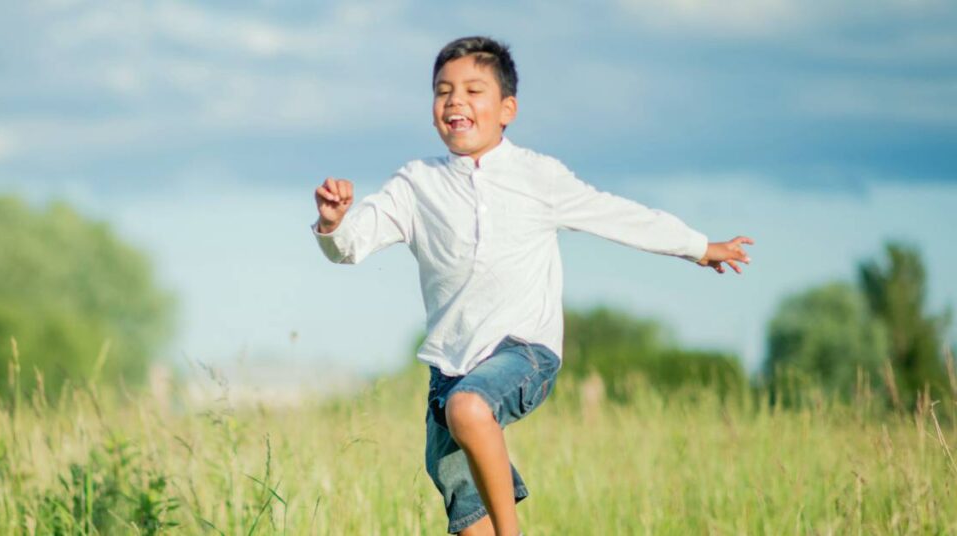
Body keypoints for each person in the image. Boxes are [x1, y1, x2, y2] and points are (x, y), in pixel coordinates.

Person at [310, 35, 752, 536]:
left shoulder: (538, 177)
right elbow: (350, 246)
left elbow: (618, 215)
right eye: (442, 91)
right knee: (466, 506)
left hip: (525, 353)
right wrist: (333, 223)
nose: (455, 101)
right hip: (449, 368)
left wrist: (698, 246)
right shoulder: (416, 185)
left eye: (474, 90)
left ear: (507, 109)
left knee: (470, 409)